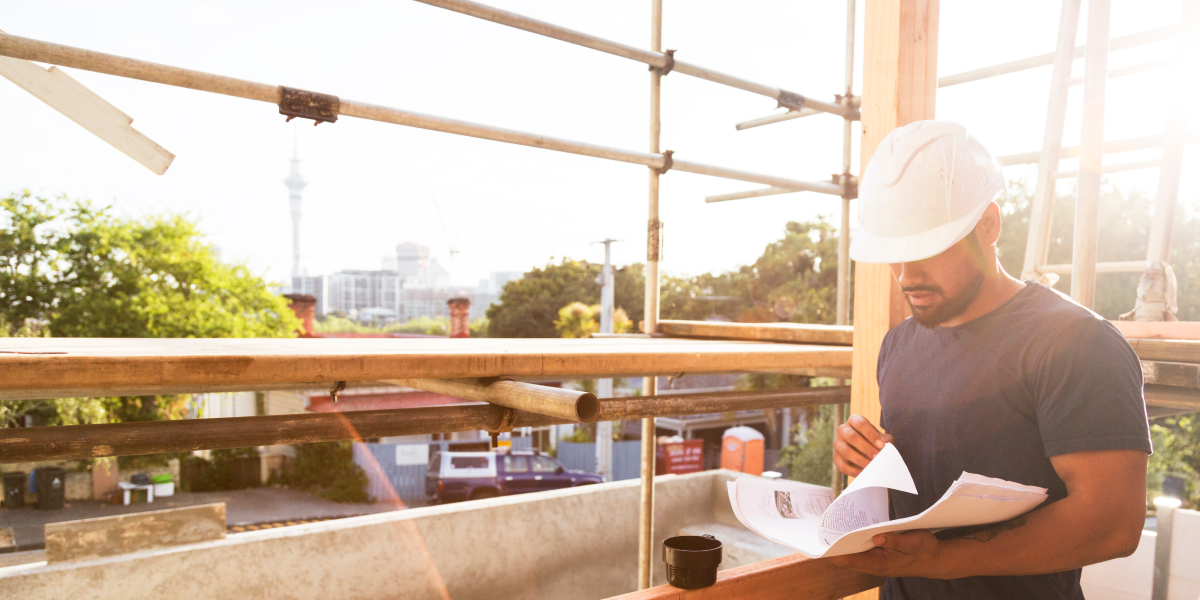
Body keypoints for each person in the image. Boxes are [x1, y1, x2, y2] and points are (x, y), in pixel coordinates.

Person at [828, 120, 1151, 600]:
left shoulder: (1076, 344)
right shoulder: (898, 344)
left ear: (989, 224)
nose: (906, 275)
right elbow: (927, 481)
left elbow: (1113, 524)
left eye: (928, 250)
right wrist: (868, 462)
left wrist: (946, 561)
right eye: (895, 255)